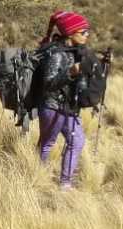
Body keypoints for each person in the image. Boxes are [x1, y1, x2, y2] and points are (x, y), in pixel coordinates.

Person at [37, 10, 92, 191]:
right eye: (83, 32)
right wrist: (71, 73)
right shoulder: (56, 54)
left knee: (77, 141)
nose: (87, 35)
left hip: (68, 106)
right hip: (52, 106)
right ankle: (38, 178)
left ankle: (65, 183)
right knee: (47, 144)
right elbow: (49, 83)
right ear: (71, 32)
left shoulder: (75, 52)